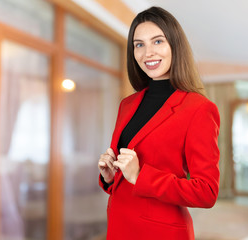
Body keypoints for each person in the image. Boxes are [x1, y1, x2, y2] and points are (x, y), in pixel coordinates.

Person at [98, 6, 220, 240]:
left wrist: (141, 175)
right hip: (119, 227)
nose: (148, 53)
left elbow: (207, 192)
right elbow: (126, 176)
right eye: (139, 44)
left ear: (175, 45)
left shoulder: (198, 108)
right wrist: (111, 176)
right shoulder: (128, 104)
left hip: (160, 232)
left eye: (157, 41)